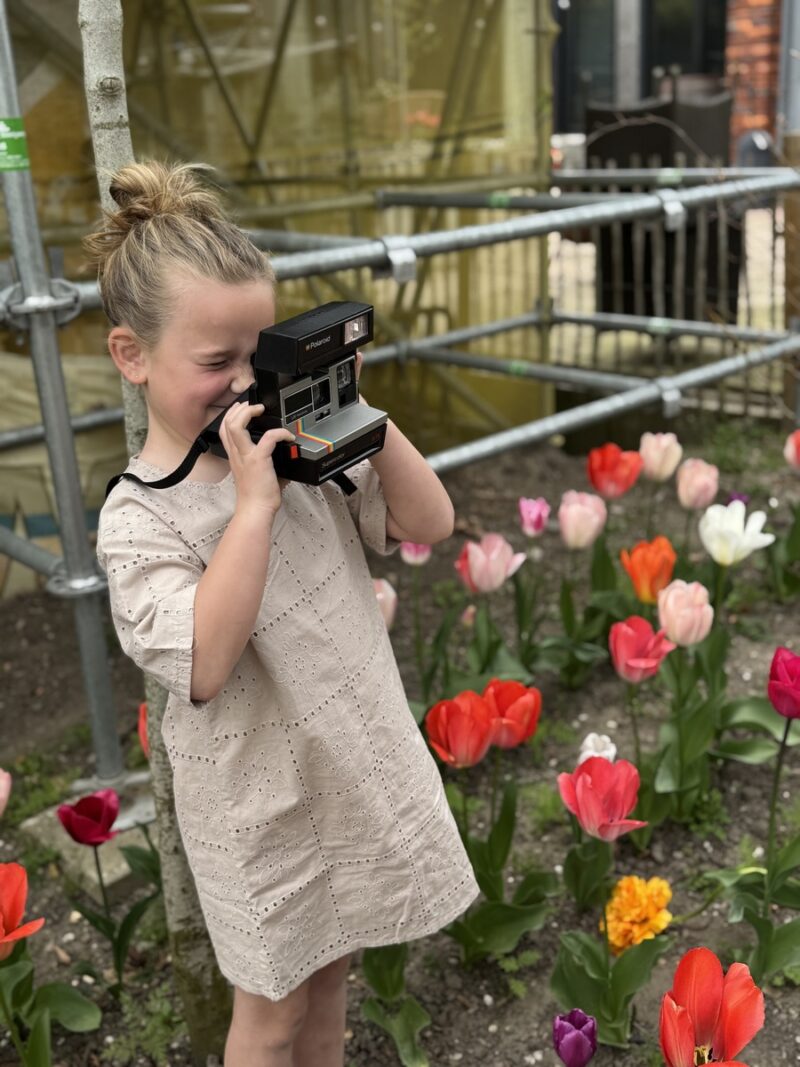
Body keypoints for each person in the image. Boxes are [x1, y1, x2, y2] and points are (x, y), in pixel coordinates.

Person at [87, 161, 478, 1067]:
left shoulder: (301, 454)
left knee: (331, 983)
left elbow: (431, 521)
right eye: (214, 362)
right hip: (259, 810)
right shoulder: (142, 517)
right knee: (271, 1016)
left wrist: (356, 410)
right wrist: (254, 506)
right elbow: (204, 660)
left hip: (345, 765)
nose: (241, 386)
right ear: (132, 355)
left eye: (256, 358)